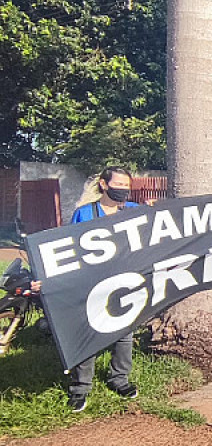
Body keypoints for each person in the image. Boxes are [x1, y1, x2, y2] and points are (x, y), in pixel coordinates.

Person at [63, 166, 141, 412]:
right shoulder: (84, 214)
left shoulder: (135, 212)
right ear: (105, 185)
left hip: (124, 283)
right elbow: (69, 246)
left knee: (124, 334)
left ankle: (120, 379)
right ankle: (81, 388)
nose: (123, 190)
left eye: (127, 186)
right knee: (89, 334)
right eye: (119, 185)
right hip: (90, 284)